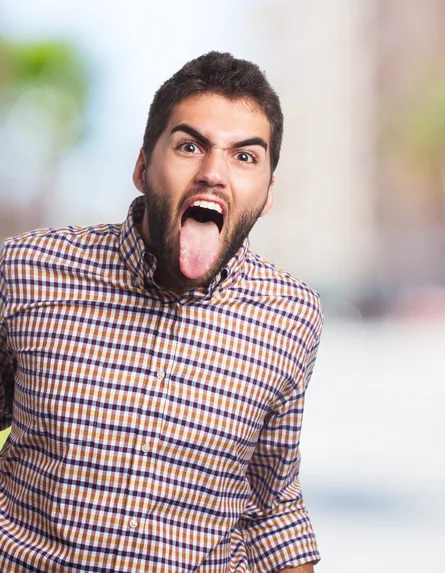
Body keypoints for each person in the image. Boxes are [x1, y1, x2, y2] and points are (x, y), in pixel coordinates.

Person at [0, 51, 322, 572]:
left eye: (245, 157)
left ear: (266, 196)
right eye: (190, 146)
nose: (214, 173)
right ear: (143, 167)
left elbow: (271, 504)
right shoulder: (28, 271)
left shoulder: (290, 314)